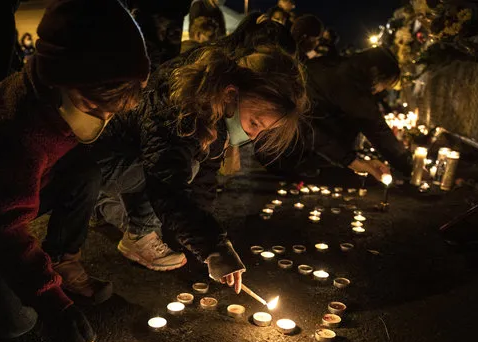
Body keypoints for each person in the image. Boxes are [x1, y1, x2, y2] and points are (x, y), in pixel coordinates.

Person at [0, 0, 150, 342]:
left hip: (22, 188)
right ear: (57, 76)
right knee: (17, 323)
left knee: (86, 173)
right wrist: (52, 304)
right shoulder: (5, 129)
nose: (101, 119)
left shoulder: (60, 97)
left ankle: (62, 261)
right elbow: (1, 226)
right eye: (92, 107)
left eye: (110, 112)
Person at [93, 45, 307, 291]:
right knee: (178, 180)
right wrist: (212, 248)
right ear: (231, 94)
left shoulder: (215, 110)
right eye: (255, 122)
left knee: (170, 213)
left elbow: (204, 181)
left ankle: (99, 205)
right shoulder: (179, 110)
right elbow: (166, 183)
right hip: (96, 164)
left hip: (129, 169)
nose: (253, 135)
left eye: (264, 130)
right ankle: (133, 232)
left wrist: (199, 244)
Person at [257, 48, 412, 182]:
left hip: (270, 145)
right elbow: (375, 127)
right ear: (376, 73)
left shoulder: (332, 65)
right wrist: (409, 167)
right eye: (384, 84)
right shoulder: (349, 85)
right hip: (283, 152)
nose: (381, 90)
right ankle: (306, 166)